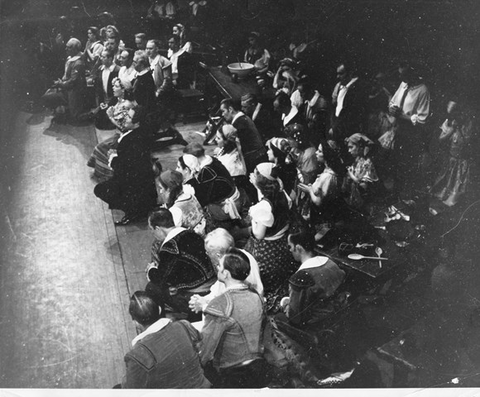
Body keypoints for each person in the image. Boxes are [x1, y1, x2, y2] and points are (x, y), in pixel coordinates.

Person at [200, 248, 267, 388]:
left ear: (225, 273)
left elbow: (206, 348)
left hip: (230, 373)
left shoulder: (220, 304)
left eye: (219, 265)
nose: (217, 268)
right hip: (258, 367)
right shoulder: (256, 296)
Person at [120, 291, 211, 388]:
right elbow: (202, 348)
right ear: (159, 310)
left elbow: (129, 389)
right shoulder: (184, 325)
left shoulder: (137, 355)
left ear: (136, 323)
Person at [145, 208, 216, 320]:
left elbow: (160, 279)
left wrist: (151, 270)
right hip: (212, 286)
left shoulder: (170, 248)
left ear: (158, 228)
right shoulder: (192, 234)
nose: (153, 234)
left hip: (197, 296)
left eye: (152, 230)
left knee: (152, 288)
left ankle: (160, 322)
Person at [244, 162, 297, 311]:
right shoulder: (282, 194)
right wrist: (257, 187)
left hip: (267, 248)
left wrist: (253, 221)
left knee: (255, 273)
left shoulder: (263, 207)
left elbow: (259, 235)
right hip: (281, 242)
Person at [94, 104, 157, 225]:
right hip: (141, 179)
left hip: (133, 183)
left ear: (137, 123)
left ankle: (133, 211)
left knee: (100, 190)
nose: (125, 118)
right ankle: (136, 208)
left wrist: (112, 157)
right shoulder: (139, 132)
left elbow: (123, 167)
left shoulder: (133, 139)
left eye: (128, 116)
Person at [189, 228, 264, 318]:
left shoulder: (235, 268)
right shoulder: (235, 259)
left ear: (218, 255)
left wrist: (205, 306)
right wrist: (204, 299)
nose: (206, 254)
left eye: (207, 252)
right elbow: (219, 291)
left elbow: (234, 307)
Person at [280, 230, 346, 328]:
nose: (289, 250)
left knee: (278, 318)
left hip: (318, 324)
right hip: (339, 314)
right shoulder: (331, 263)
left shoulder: (299, 279)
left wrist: (285, 305)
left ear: (298, 248)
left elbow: (295, 318)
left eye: (290, 246)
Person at [389, 61, 431, 198]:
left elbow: (422, 119)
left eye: (404, 75)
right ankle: (396, 192)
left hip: (411, 133)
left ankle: (407, 195)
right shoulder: (403, 85)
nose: (401, 78)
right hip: (398, 128)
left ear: (412, 73)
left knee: (407, 163)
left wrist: (401, 115)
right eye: (400, 74)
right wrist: (391, 108)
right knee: (396, 160)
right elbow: (393, 101)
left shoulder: (422, 90)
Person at [183, 142, 250, 227]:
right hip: (234, 196)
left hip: (226, 207)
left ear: (192, 159)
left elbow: (204, 197)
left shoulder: (206, 171)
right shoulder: (212, 160)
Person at [430, 100, 478, 207]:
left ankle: (453, 200)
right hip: (450, 157)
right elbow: (441, 139)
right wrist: (452, 129)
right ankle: (441, 197)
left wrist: (459, 128)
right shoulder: (449, 123)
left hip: (462, 159)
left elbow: (467, 141)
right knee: (445, 179)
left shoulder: (468, 123)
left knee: (457, 182)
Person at [87, 83, 135, 180]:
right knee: (99, 148)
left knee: (101, 148)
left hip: (126, 137)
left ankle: (108, 177)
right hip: (118, 134)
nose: (113, 88)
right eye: (113, 85)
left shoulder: (127, 104)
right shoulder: (117, 101)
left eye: (116, 86)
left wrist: (110, 117)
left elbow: (124, 127)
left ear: (123, 90)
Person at [41, 38, 87, 125]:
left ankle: (64, 111)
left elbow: (73, 82)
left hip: (73, 92)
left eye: (69, 47)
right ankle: (62, 110)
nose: (66, 49)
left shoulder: (78, 63)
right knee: (48, 93)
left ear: (75, 49)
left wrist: (60, 84)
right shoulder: (70, 58)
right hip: (67, 88)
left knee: (46, 98)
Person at [220, 98, 267, 173]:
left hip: (254, 161)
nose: (222, 114)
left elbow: (232, 146)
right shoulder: (242, 118)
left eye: (223, 111)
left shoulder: (239, 123)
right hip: (258, 157)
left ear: (230, 109)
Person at [155, 169, 208, 236]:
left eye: (161, 188)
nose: (160, 191)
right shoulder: (190, 196)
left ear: (169, 189)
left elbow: (172, 235)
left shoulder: (176, 210)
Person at [330, 62, 368, 148]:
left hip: (348, 131)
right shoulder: (341, 86)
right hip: (338, 129)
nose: (338, 77)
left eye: (341, 73)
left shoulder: (357, 88)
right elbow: (337, 108)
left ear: (350, 72)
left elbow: (353, 113)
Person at [342, 133, 379, 212]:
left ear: (360, 146)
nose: (349, 151)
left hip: (364, 203)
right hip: (354, 199)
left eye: (351, 147)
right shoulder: (358, 160)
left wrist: (351, 175)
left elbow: (364, 186)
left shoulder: (367, 163)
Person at [94, 48, 120, 129]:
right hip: (104, 101)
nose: (101, 58)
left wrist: (109, 104)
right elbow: (98, 89)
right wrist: (101, 102)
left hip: (114, 102)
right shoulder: (100, 69)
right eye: (101, 56)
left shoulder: (117, 70)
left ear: (110, 59)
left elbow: (118, 92)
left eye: (103, 57)